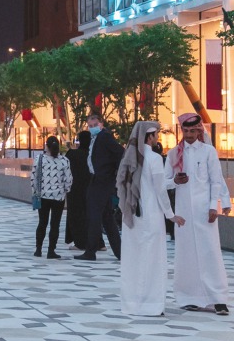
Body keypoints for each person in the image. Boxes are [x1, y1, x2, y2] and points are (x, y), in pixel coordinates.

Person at [165, 113, 231, 315]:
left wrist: (214, 206)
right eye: (185, 131)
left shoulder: (208, 152)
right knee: (186, 255)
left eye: (193, 131)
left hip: (205, 211)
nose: (189, 135)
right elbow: (164, 182)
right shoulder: (174, 154)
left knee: (210, 253)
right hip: (184, 213)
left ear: (199, 130)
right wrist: (176, 181)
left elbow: (216, 180)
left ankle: (218, 299)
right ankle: (189, 297)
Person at [116, 122, 183, 316]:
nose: (157, 138)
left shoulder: (128, 158)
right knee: (153, 260)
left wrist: (173, 182)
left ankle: (131, 304)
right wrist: (171, 215)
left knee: (133, 260)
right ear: (149, 137)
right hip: (151, 215)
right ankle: (151, 305)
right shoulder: (154, 159)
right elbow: (160, 190)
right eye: (156, 135)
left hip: (132, 216)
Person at [77, 113, 124, 261]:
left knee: (94, 215)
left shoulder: (104, 137)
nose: (92, 128)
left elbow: (120, 152)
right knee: (107, 217)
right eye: (90, 126)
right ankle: (120, 251)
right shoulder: (96, 138)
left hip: (101, 180)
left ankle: (91, 251)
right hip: (98, 179)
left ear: (101, 124)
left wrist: (112, 172)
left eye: (95, 125)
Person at [31, 135, 72, 258]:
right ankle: (51, 250)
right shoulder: (64, 161)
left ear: (46, 146)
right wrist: (65, 190)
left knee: (42, 222)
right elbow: (69, 179)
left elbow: (34, 177)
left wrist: (35, 191)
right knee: (55, 224)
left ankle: (38, 249)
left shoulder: (39, 159)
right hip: (58, 197)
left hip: (43, 195)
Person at [64, 131, 92, 249]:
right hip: (91, 189)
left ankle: (80, 242)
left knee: (76, 216)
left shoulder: (72, 154)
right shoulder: (91, 154)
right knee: (91, 216)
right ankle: (98, 242)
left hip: (75, 190)